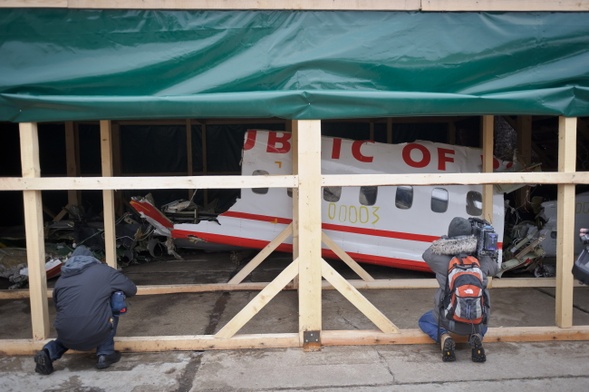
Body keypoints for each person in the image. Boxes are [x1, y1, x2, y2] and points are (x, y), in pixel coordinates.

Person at [34, 245, 137, 375]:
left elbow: (58, 306)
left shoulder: (61, 280)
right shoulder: (104, 271)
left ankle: (48, 352)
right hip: (95, 331)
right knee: (115, 299)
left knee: (71, 326)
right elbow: (131, 289)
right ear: (91, 258)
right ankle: (105, 353)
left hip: (66, 334)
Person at [418, 217, 499, 363]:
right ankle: (477, 337)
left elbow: (427, 254)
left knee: (424, 321)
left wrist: (445, 240)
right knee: (485, 322)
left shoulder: (443, 260)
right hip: (477, 321)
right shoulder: (481, 258)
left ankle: (444, 337)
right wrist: (482, 246)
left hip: (448, 320)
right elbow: (496, 268)